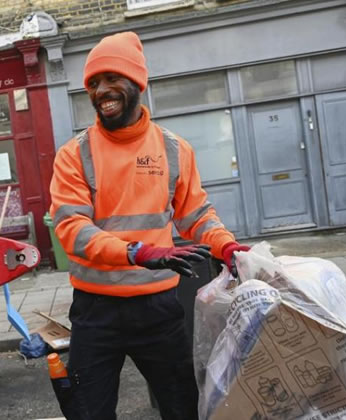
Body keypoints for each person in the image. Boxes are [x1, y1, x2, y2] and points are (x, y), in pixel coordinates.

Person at [49, 31, 249, 420]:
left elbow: (197, 216)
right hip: (95, 311)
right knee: (88, 413)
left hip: (157, 309)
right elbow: (72, 228)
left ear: (137, 82)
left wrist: (227, 247)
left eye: (111, 78)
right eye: (92, 83)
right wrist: (137, 252)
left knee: (183, 409)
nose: (101, 90)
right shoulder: (75, 153)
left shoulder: (173, 149)